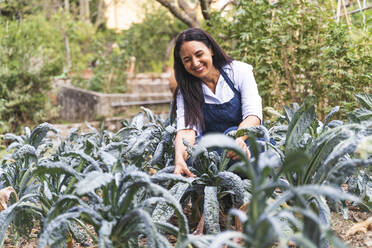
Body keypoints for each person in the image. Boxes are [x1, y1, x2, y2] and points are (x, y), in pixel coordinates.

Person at [171, 28, 262, 178]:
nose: (195, 63)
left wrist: (238, 139)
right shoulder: (186, 91)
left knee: (233, 135)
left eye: (199, 54)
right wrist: (179, 159)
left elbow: (253, 115)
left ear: (211, 50)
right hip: (216, 153)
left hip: (246, 143)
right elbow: (187, 130)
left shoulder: (239, 71)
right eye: (187, 60)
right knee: (197, 154)